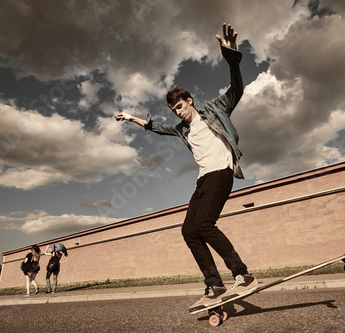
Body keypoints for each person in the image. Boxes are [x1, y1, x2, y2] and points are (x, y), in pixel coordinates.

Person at [115, 23, 258, 311]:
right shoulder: (182, 130)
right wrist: (131, 118)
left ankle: (243, 274)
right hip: (204, 180)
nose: (177, 113)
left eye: (179, 107)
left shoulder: (216, 109)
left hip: (222, 174)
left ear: (189, 101)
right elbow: (159, 128)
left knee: (205, 224)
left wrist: (230, 54)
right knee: (189, 231)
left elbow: (237, 88)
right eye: (173, 110)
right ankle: (214, 283)